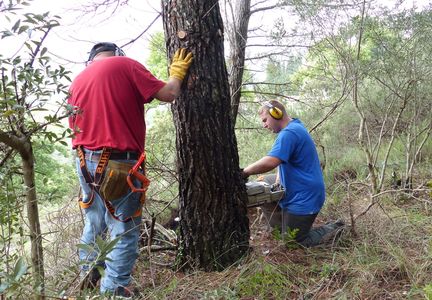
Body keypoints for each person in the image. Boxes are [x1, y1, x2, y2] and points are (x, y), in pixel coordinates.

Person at [68, 42, 193, 297]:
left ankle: (89, 277)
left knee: (94, 221)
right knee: (123, 229)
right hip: (117, 163)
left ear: (92, 59)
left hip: (83, 161)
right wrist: (177, 73)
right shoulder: (125, 65)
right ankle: (112, 292)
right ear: (116, 54)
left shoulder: (77, 81)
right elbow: (169, 93)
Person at [242, 100, 344, 247]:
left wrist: (245, 172)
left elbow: (272, 161)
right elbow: (284, 158)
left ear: (276, 113)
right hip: (297, 186)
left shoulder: (289, 133)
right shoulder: (294, 126)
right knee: (262, 184)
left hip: (305, 196)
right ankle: (281, 227)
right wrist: (278, 176)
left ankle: (334, 228)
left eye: (265, 120)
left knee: (293, 242)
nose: (264, 125)